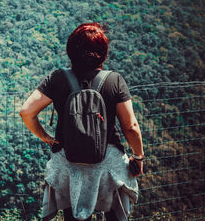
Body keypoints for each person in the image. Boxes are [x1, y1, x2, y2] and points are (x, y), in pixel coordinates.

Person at [19, 23, 144, 221]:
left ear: (71, 51)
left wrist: (47, 138)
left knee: (72, 208)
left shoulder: (57, 78)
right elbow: (130, 127)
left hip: (69, 164)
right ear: (103, 52)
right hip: (107, 165)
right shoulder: (114, 80)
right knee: (116, 200)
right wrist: (138, 157)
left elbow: (26, 111)